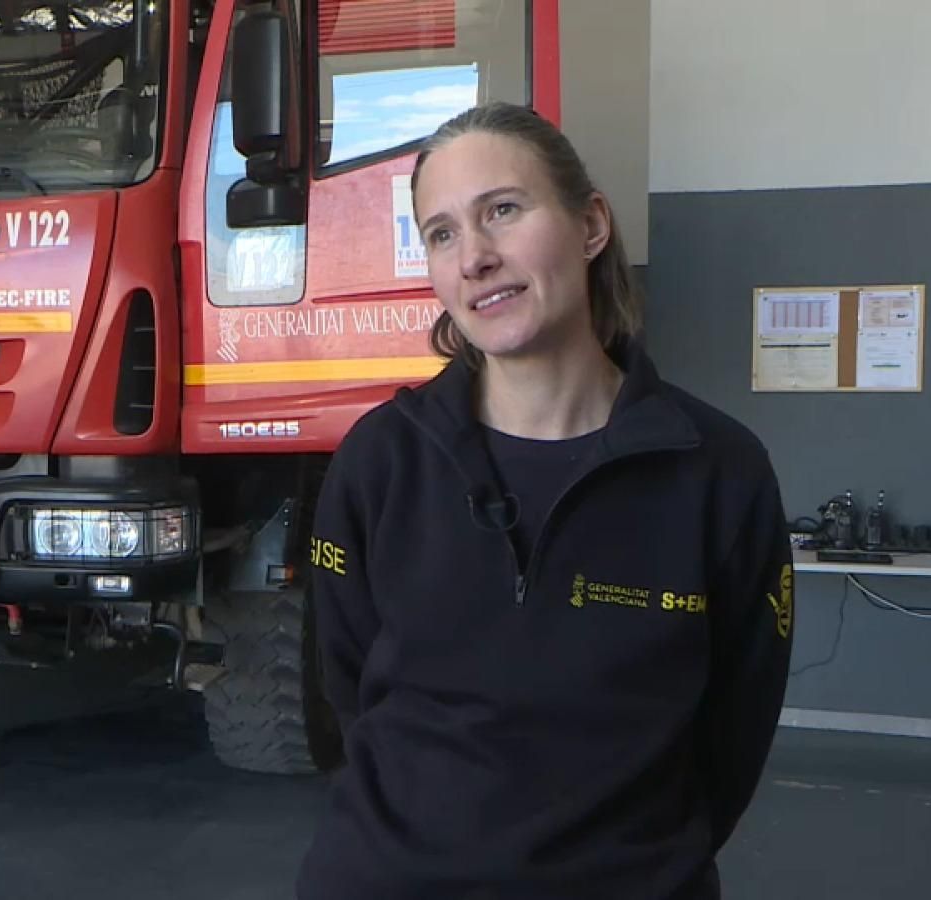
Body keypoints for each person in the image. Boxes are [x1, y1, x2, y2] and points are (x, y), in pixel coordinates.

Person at [297, 102, 794, 899]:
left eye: (502, 210)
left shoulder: (720, 472)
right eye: (442, 233)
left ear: (590, 224)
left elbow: (734, 733)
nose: (475, 258)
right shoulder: (380, 460)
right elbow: (346, 697)